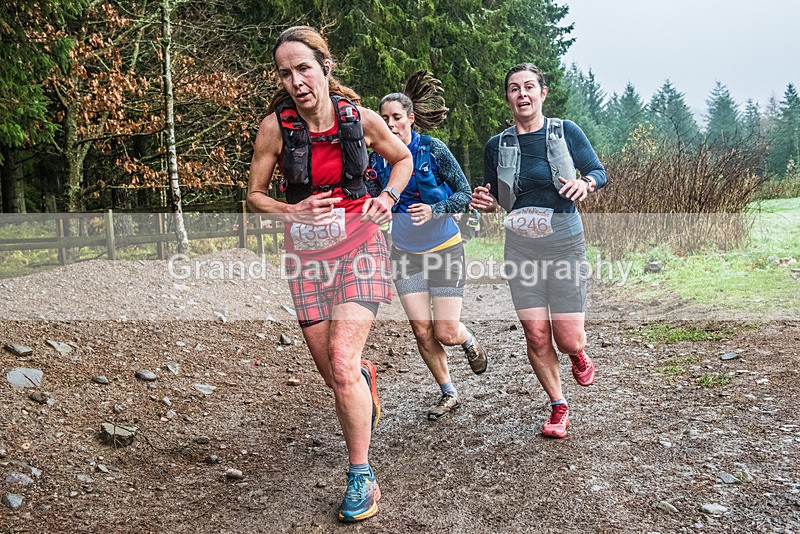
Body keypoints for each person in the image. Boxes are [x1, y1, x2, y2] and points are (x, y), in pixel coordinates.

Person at [247, 26, 412, 522]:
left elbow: (400, 160)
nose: (296, 80)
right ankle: (364, 378)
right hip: (306, 260)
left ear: (325, 67)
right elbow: (254, 196)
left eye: (303, 68)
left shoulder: (357, 120)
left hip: (361, 246)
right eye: (285, 72)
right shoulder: (274, 129)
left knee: (340, 364)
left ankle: (361, 476)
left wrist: (387, 198)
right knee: (338, 375)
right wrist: (288, 212)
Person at [471, 63, 607, 439]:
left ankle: (578, 354)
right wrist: (485, 201)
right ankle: (558, 405)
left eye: (529, 86)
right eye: (514, 89)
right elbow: (497, 197)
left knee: (568, 339)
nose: (522, 94)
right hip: (521, 248)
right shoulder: (496, 145)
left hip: (564, 242)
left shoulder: (566, 132)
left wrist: (586, 184)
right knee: (535, 334)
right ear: (508, 98)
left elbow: (598, 170)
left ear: (542, 92)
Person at [369, 71, 488, 421]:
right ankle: (448, 391)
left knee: (445, 331)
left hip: (445, 248)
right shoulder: (377, 160)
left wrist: (435, 209)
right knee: (422, 330)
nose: (389, 124)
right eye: (384, 118)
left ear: (410, 118)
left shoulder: (433, 149)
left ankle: (468, 340)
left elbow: (465, 194)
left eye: (395, 117)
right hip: (404, 254)